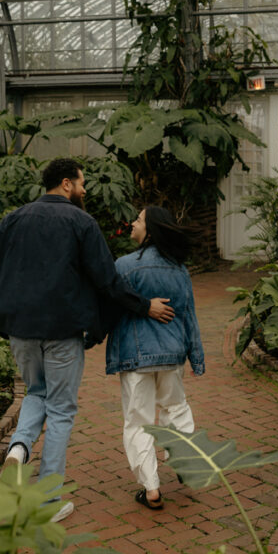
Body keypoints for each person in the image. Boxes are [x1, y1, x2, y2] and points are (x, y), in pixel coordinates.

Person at [0, 158, 175, 522]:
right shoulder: (81, 222)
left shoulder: (14, 218)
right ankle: (48, 502)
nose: (84, 190)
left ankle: (18, 449)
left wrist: (4, 304)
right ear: (66, 184)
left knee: (36, 393)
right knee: (61, 410)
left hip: (20, 331)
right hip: (62, 331)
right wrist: (144, 306)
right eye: (82, 183)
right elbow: (107, 280)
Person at [105, 205, 205, 509]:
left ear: (150, 229)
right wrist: (196, 357)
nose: (132, 223)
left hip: (136, 357)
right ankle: (186, 463)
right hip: (172, 354)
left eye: (138, 219)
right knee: (176, 409)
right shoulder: (179, 269)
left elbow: (111, 308)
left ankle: (151, 489)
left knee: (139, 421)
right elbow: (188, 316)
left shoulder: (123, 266)